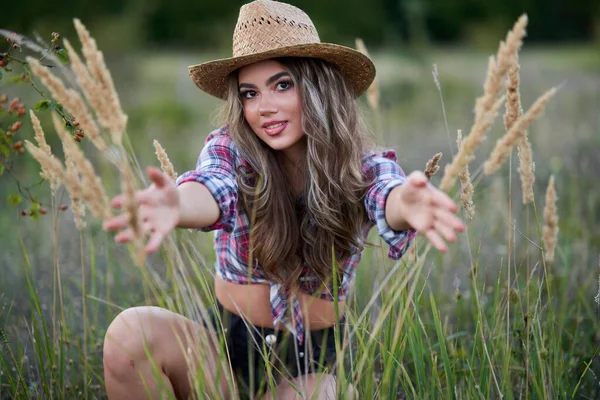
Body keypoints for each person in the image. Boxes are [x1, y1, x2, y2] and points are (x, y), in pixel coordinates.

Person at [101, 0, 466, 399]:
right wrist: (178, 204)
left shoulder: (360, 167)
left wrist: (404, 207)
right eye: (250, 93)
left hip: (311, 363)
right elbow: (213, 186)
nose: (265, 108)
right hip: (223, 345)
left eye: (282, 85)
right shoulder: (232, 150)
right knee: (130, 332)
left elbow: (385, 194)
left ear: (316, 87)